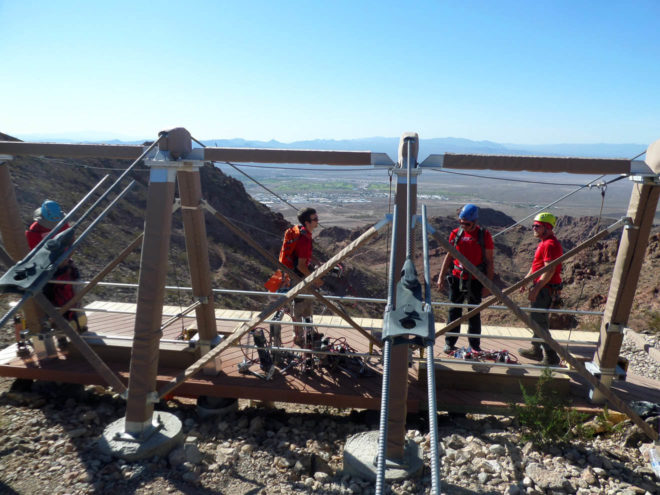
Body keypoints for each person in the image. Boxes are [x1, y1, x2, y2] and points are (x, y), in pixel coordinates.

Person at [437, 204, 494, 353]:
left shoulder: (484, 235)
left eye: (467, 224)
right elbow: (449, 256)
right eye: (461, 222)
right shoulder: (456, 234)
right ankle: (449, 342)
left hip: (475, 280)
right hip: (457, 278)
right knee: (454, 311)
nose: (464, 226)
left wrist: (487, 284)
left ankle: (474, 346)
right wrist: (441, 276)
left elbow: (489, 261)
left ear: (475, 222)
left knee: (474, 313)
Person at [25, 200, 84, 331]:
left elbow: (71, 242)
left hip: (64, 264)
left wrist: (66, 257)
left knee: (73, 292)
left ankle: (77, 321)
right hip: (46, 269)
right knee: (51, 299)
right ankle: (59, 328)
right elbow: (36, 252)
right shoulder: (34, 231)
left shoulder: (63, 225)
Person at [518, 212, 562, 366]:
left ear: (547, 227)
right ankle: (536, 349)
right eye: (533, 225)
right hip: (542, 286)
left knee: (539, 321)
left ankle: (551, 356)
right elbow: (535, 266)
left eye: (537, 226)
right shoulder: (543, 243)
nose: (533, 228)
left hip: (545, 288)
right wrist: (526, 280)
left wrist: (536, 288)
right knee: (535, 319)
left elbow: (549, 270)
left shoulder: (550, 244)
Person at [278, 207, 322, 346]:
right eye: (315, 219)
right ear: (307, 222)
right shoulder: (304, 239)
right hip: (299, 279)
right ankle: (298, 337)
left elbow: (304, 255)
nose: (317, 221)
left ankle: (310, 333)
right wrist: (316, 279)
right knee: (299, 308)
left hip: (300, 277)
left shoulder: (305, 235)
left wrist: (316, 261)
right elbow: (301, 266)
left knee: (308, 305)